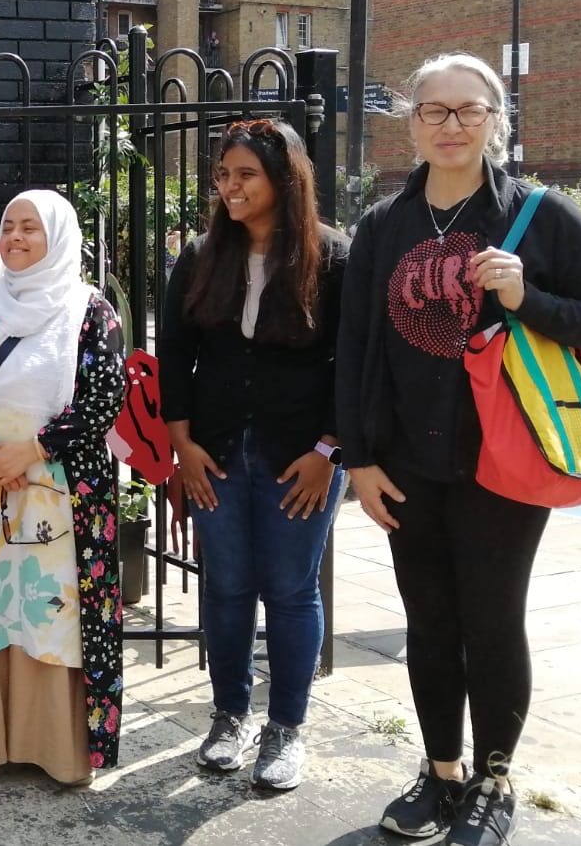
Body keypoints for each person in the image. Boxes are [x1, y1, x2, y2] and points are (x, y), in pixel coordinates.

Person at [336, 53, 581, 845]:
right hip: (404, 462)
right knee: (429, 622)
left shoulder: (539, 215)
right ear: (412, 123)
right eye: (435, 111)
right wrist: (359, 460)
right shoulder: (383, 226)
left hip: (503, 459)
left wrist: (523, 296)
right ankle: (439, 774)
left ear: (497, 120)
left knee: (493, 621)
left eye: (470, 110)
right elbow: (357, 346)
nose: (452, 125)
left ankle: (494, 780)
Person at [157, 119, 348, 790]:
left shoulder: (333, 257)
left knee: (292, 592)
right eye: (224, 175)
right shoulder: (204, 255)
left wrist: (330, 448)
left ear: (283, 181)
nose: (229, 187)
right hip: (214, 452)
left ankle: (285, 728)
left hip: (301, 455)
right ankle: (230, 715)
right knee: (229, 586)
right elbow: (175, 356)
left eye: (246, 175)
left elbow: (352, 368)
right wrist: (181, 443)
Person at [0, 189, 127, 786]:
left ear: (58, 238)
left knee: (57, 607)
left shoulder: (91, 309)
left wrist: (35, 449)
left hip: (66, 483)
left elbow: (105, 393)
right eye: (8, 226)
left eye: (30, 229)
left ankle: (62, 747)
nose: (15, 238)